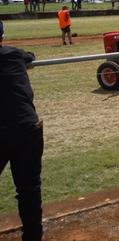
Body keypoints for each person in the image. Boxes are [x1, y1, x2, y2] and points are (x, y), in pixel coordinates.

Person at [0, 20, 44, 241]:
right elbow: (30, 55)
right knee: (29, 188)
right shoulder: (14, 54)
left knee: (28, 187)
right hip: (28, 127)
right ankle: (33, 235)